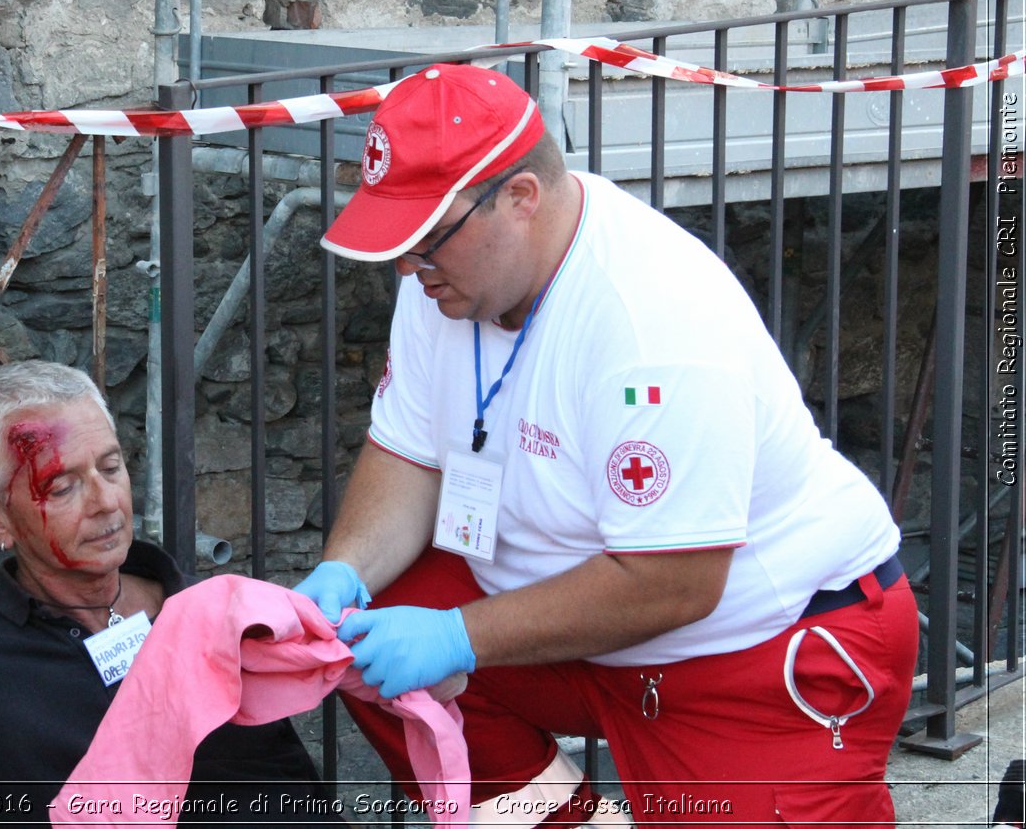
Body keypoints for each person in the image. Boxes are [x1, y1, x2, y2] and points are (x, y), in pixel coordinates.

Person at [292, 62, 918, 826]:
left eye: (428, 238)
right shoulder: (449, 275)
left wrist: (456, 636)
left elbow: (675, 580)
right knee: (363, 626)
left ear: (521, 198)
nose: (406, 265)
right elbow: (408, 451)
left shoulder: (650, 320)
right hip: (587, 631)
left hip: (756, 649)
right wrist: (343, 566)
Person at [0, 361, 343, 826]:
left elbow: (297, 796)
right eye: (62, 487)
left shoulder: (214, 615)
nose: (107, 502)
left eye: (111, 466)